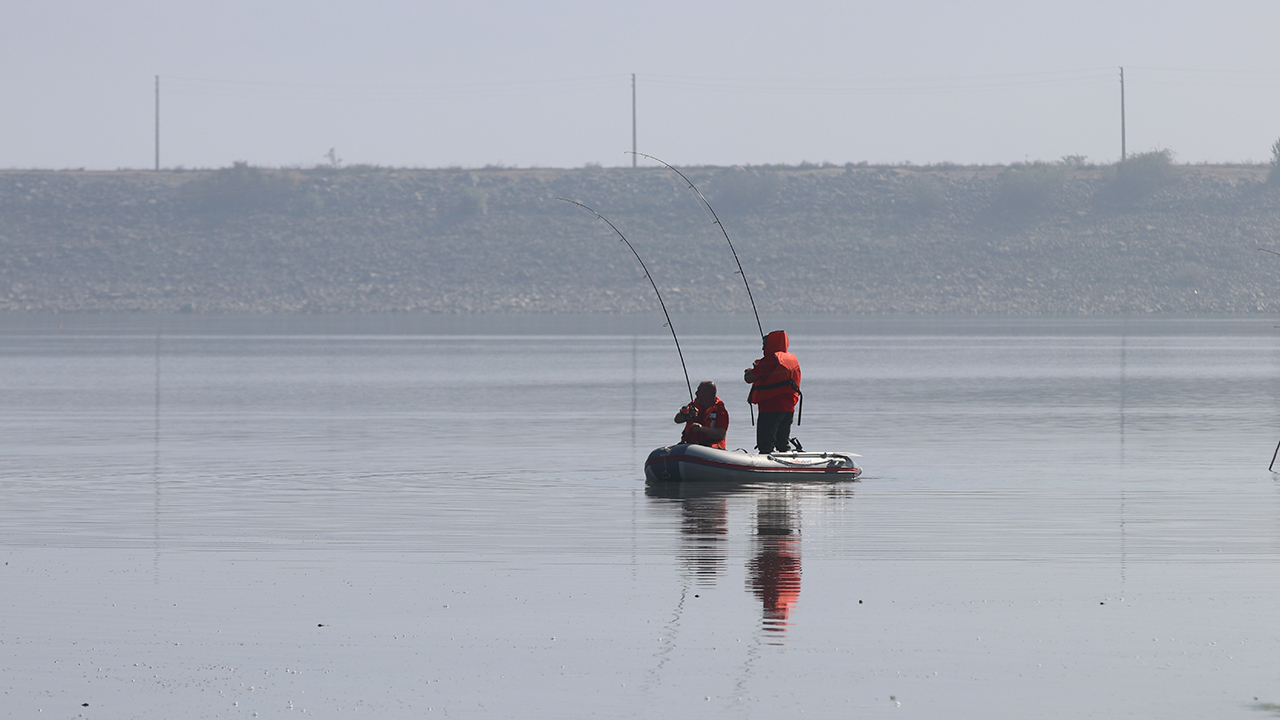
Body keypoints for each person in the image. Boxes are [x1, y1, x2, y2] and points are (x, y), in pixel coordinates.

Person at [744, 329, 801, 454]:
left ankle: (763, 468)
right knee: (782, 444)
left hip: (770, 409)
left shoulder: (770, 359)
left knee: (766, 445)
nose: (763, 348)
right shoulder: (792, 360)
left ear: (771, 345)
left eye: (765, 345)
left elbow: (749, 378)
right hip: (788, 409)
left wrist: (749, 371)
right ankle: (788, 466)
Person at [674, 380, 729, 450]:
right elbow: (677, 420)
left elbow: (721, 434)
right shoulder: (693, 405)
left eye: (699, 391)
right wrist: (687, 414)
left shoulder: (720, 410)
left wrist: (702, 429)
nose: (696, 393)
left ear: (708, 394)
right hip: (690, 447)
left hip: (711, 449)